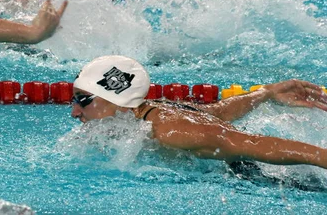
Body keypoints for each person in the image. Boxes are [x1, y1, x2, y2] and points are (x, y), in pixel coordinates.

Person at [70, 55, 327, 170]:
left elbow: (248, 142)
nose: (74, 112)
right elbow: (216, 111)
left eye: (83, 100)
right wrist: (266, 93)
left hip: (257, 179)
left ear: (119, 100)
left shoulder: (169, 129)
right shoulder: (155, 109)